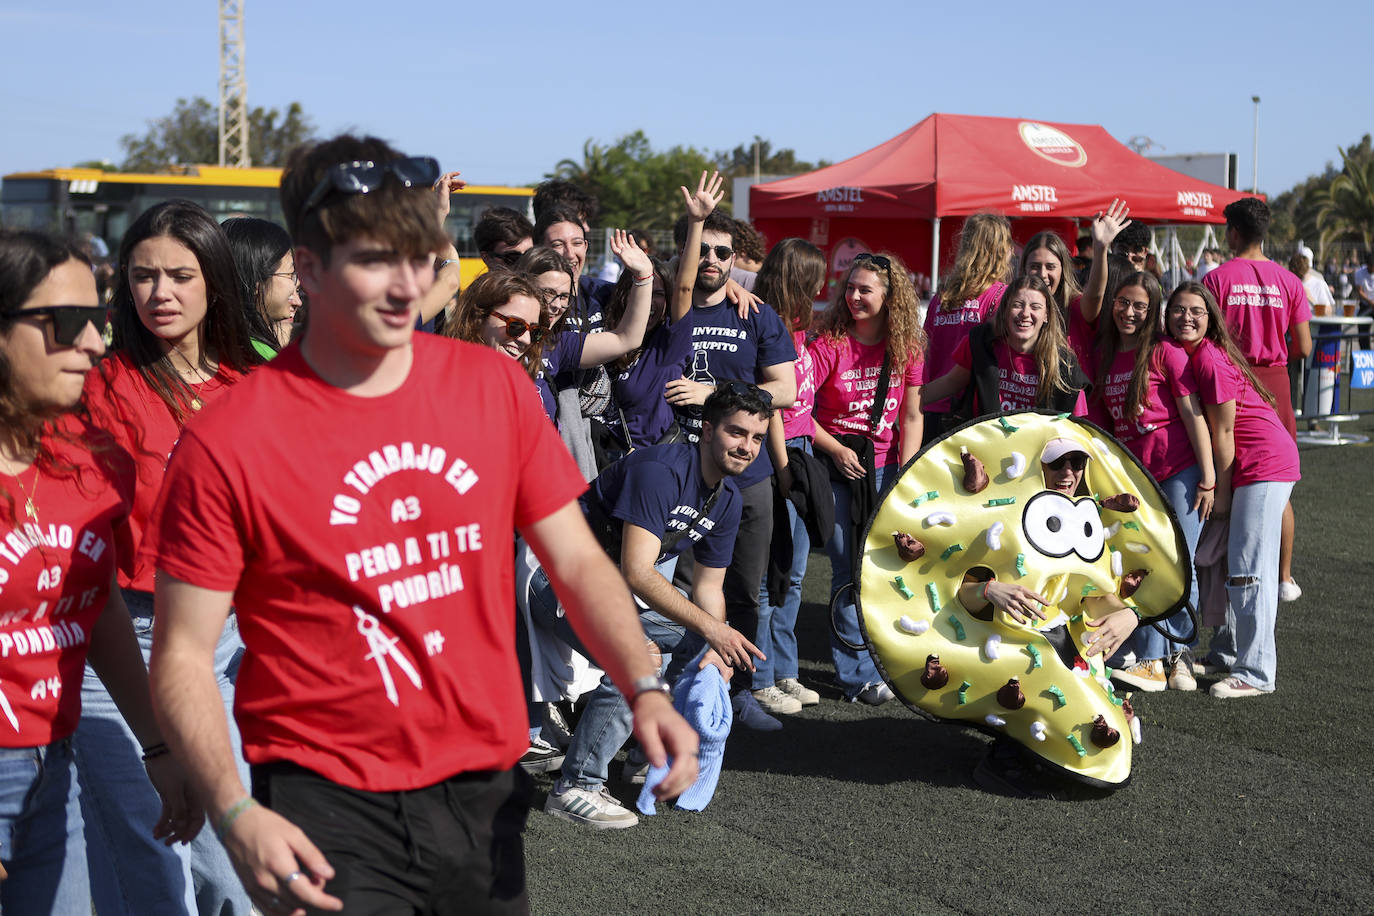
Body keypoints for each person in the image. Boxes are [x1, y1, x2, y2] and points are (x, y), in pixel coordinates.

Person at [145, 134, 698, 914]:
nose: (407, 284)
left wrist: (642, 684)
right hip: (322, 798)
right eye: (376, 260)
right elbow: (181, 654)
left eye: (419, 256)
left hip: (482, 786)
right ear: (306, 269)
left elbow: (575, 560)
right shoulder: (229, 435)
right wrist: (236, 813)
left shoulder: (491, 388)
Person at [0, 228, 198, 911]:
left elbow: (99, 605)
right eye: (67, 323)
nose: (94, 343)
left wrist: (158, 749)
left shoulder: (88, 458)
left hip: (50, 762)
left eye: (100, 321)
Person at [79, 199, 264, 916]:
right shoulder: (96, 385)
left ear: (214, 280)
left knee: (232, 870)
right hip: (120, 638)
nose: (161, 293)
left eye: (180, 275)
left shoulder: (257, 388)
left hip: (227, 643)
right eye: (143, 276)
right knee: (153, 867)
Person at [541, 384, 771, 828]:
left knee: (697, 643)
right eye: (736, 433)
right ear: (706, 430)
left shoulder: (727, 499)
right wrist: (716, 631)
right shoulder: (662, 471)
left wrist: (715, 648)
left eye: (757, 438)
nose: (746, 448)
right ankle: (576, 786)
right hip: (551, 572)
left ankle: (643, 757)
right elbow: (638, 572)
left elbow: (708, 590)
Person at [666, 210, 796, 729]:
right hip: (680, 472)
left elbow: (785, 390)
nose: (714, 261)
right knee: (671, 591)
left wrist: (713, 395)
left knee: (743, 590)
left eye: (724, 252)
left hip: (749, 475)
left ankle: (736, 694)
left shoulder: (756, 313)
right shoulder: (665, 306)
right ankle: (676, 691)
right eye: (704, 250)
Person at [965, 438, 1141, 798]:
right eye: (1058, 464)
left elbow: (1091, 595)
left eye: (1077, 464)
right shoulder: (1007, 513)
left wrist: (1131, 615)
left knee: (1105, 736)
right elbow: (957, 590)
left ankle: (1041, 751)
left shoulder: (1085, 518)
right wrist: (989, 590)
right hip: (1001, 640)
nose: (1068, 473)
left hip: (1058, 638)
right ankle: (1006, 751)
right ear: (1038, 467)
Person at [1164, 283, 1299, 698]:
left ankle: (1256, 673)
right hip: (1253, 465)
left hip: (1263, 464)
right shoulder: (1200, 355)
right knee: (1234, 564)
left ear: (1211, 319)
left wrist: (1220, 494)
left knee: (1247, 565)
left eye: (1197, 312)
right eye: (1179, 310)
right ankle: (1229, 654)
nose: (1187, 318)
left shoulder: (1207, 358)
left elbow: (1223, 433)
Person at [1085, 271, 1215, 692]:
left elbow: (1194, 415)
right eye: (1123, 301)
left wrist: (1208, 478)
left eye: (1140, 305)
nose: (1129, 311)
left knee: (1178, 563)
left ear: (1152, 310)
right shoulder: (1104, 353)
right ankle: (1157, 656)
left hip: (1179, 472)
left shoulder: (1165, 352)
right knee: (1142, 563)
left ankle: (1170, 656)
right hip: (1137, 481)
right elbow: (1102, 426)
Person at [810, 251, 925, 704]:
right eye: (851, 288)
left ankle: (886, 663)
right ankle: (857, 677)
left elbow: (912, 416)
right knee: (846, 570)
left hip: (886, 470)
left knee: (882, 571)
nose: (854, 296)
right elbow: (800, 411)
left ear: (890, 296)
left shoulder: (907, 347)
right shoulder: (829, 344)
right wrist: (836, 449)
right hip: (835, 468)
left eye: (866, 290)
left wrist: (906, 475)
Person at [1202, 197, 1310, 602]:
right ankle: (1284, 575)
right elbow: (1303, 345)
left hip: (1231, 382)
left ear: (1232, 231)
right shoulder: (1289, 280)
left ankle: (1233, 576)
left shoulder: (1217, 279)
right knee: (1276, 483)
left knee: (1234, 479)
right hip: (1277, 381)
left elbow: (1207, 340)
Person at [749, 238, 827, 714]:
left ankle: (785, 670)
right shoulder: (766, 324)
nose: (820, 289)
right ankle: (760, 679)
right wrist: (782, 470)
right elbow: (775, 406)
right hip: (775, 455)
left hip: (800, 451)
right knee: (766, 577)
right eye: (813, 280)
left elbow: (805, 407)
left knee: (794, 574)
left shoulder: (800, 329)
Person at [920, 275, 1090, 419]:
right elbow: (951, 382)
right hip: (986, 451)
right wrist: (906, 399)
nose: (1025, 313)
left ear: (1046, 315)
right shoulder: (982, 345)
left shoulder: (1066, 366)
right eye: (1017, 305)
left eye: (1035, 307)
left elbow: (1078, 425)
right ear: (1005, 310)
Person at [921, 212, 1012, 441]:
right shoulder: (1000, 297)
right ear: (1001, 249)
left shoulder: (941, 298)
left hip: (929, 406)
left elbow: (924, 353)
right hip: (970, 413)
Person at [222, 216, 302, 355]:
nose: (298, 302)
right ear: (256, 281)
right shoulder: (260, 363)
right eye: (290, 275)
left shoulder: (221, 347)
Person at [1018, 231, 1082, 326]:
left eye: (1050, 267)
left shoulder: (1077, 307)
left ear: (1063, 269)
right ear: (1024, 267)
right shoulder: (1013, 308)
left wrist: (1100, 250)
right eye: (1035, 266)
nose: (1042, 274)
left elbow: (1096, 296)